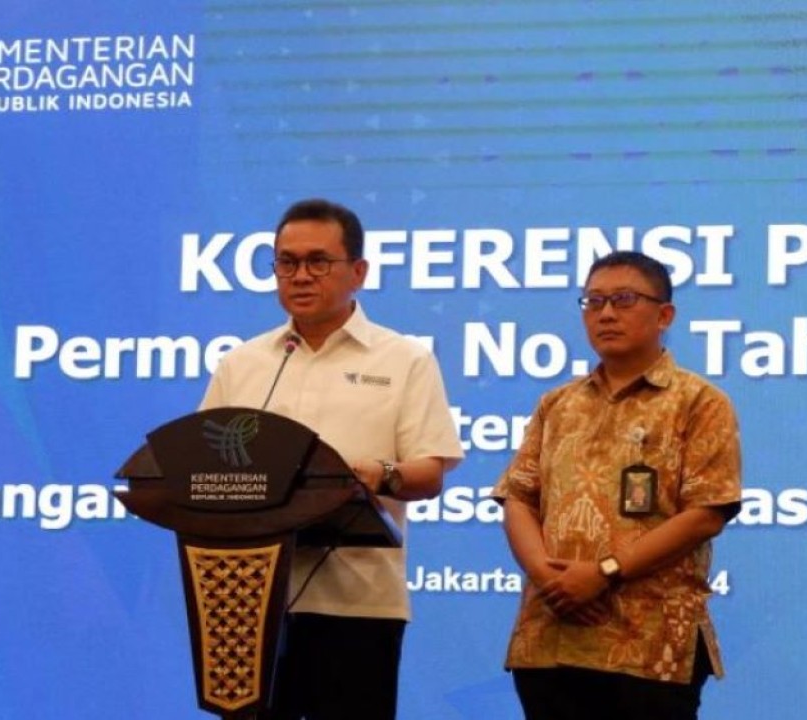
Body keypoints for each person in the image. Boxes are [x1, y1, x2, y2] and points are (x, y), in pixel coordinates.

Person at [198, 198, 464, 720]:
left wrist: (376, 475)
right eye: (286, 262)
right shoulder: (242, 363)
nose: (300, 276)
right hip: (247, 603)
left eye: (319, 261)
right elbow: (201, 471)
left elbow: (429, 471)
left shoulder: (404, 358)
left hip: (358, 602)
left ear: (358, 272)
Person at [493, 250, 742, 720]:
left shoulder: (700, 402)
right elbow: (518, 497)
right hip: (550, 637)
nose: (606, 313)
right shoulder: (557, 404)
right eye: (593, 301)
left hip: (647, 644)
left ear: (665, 314)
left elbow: (707, 513)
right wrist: (548, 579)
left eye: (624, 300)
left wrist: (603, 573)